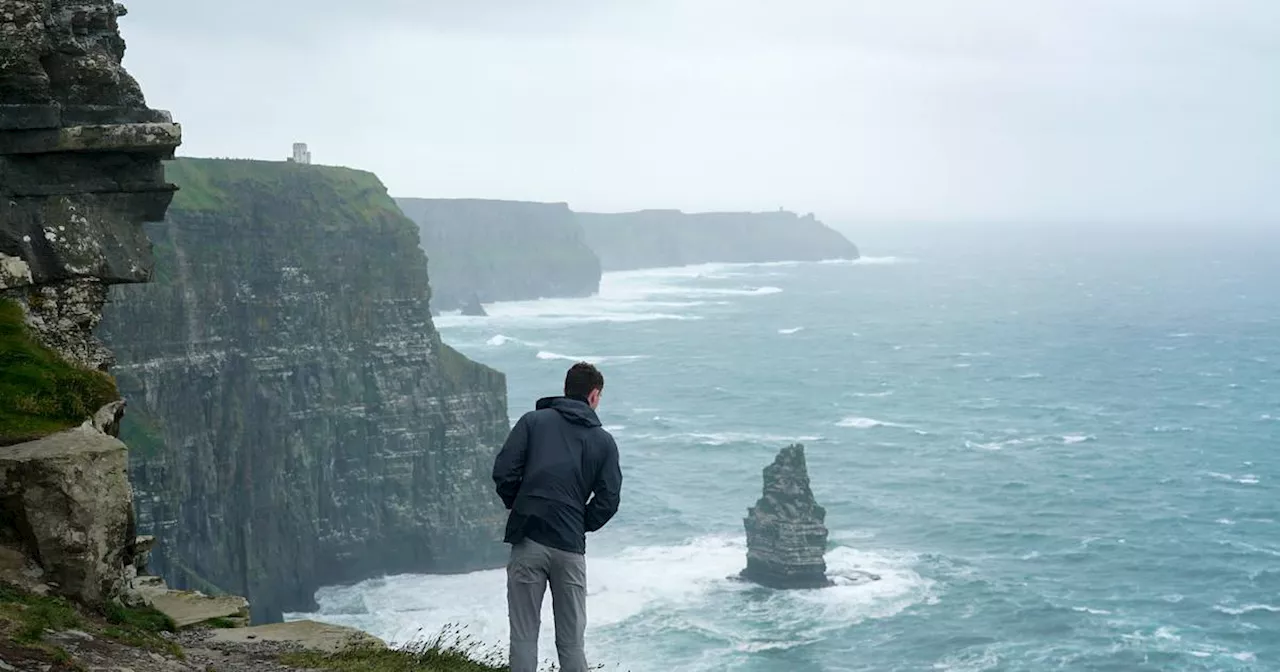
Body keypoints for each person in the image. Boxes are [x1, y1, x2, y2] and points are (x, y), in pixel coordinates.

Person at [492, 361, 623, 672]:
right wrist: (580, 521)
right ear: (594, 395)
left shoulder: (532, 423)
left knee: (524, 636)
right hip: (569, 547)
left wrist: (522, 504)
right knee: (571, 642)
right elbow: (609, 499)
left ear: (566, 390)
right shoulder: (604, 441)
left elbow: (503, 472)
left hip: (529, 539)